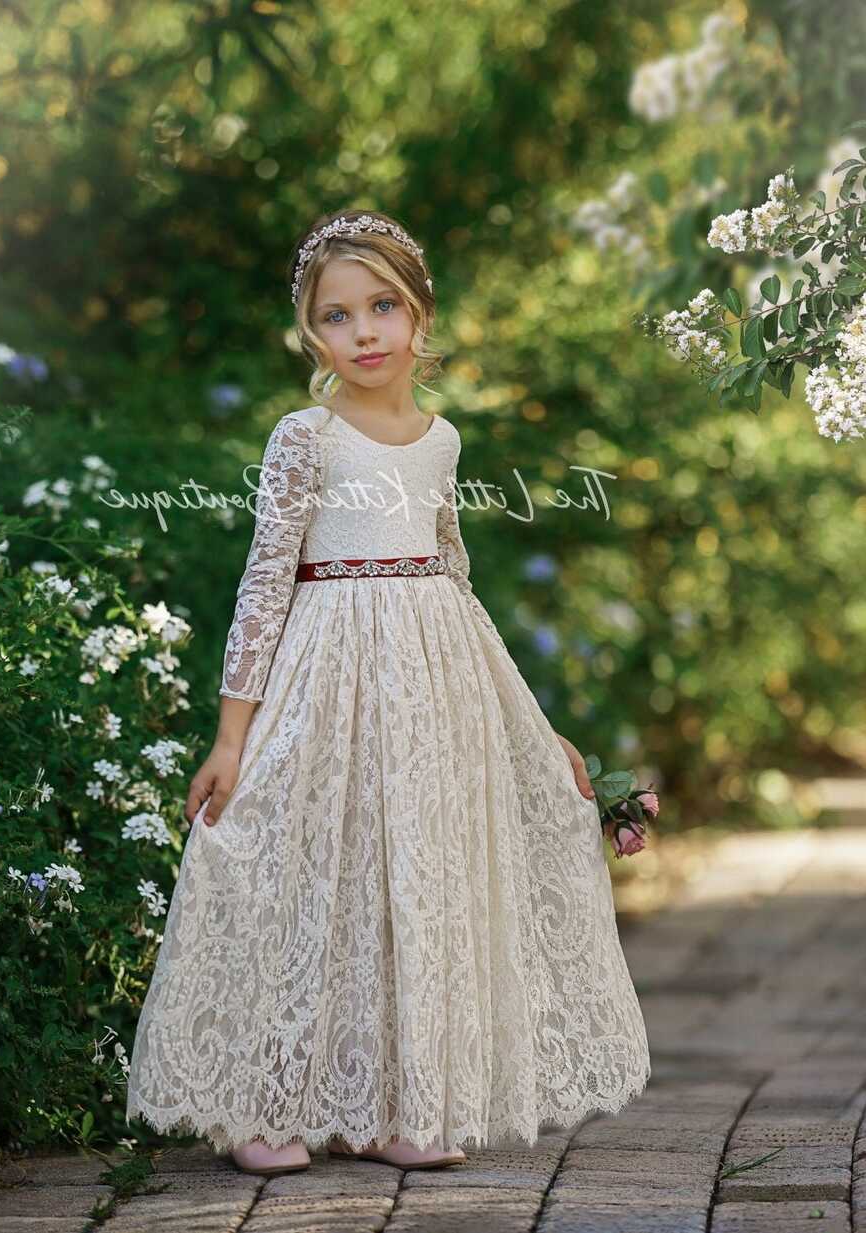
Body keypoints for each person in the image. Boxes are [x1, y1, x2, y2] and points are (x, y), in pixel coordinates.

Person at [125, 208, 651, 1177]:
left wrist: (539, 732)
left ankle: (387, 1106)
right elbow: (262, 582)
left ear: (418, 318)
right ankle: (265, 1104)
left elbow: (456, 578)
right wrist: (231, 738)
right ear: (310, 333)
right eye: (336, 315)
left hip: (427, 686)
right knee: (302, 870)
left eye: (381, 308)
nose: (362, 332)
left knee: (407, 882)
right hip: (323, 674)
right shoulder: (304, 437)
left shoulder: (441, 439)